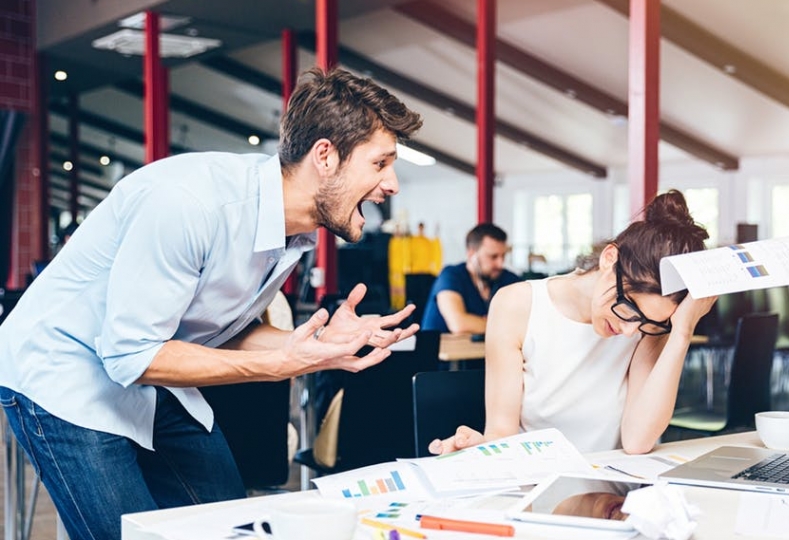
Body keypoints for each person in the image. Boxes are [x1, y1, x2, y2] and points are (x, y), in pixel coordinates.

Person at [0, 67, 423, 540]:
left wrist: (316, 342)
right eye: (381, 163)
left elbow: (227, 330)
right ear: (325, 155)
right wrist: (279, 365)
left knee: (229, 527)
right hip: (65, 368)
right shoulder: (192, 205)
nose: (393, 184)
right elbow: (129, 353)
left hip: (150, 364)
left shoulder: (292, 229)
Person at [429, 190, 716, 456]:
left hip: (612, 499)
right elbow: (501, 433)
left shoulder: (649, 328)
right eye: (629, 309)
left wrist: (681, 331)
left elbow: (637, 441)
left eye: (647, 323)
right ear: (609, 258)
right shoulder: (517, 305)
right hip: (538, 491)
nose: (630, 331)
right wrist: (477, 449)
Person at [420, 223, 521, 334]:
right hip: (445, 350)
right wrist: (504, 325)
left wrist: (481, 323)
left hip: (482, 351)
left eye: (503, 256)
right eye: (493, 257)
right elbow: (459, 324)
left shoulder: (508, 279)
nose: (500, 264)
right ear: (471, 253)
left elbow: (527, 323)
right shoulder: (450, 275)